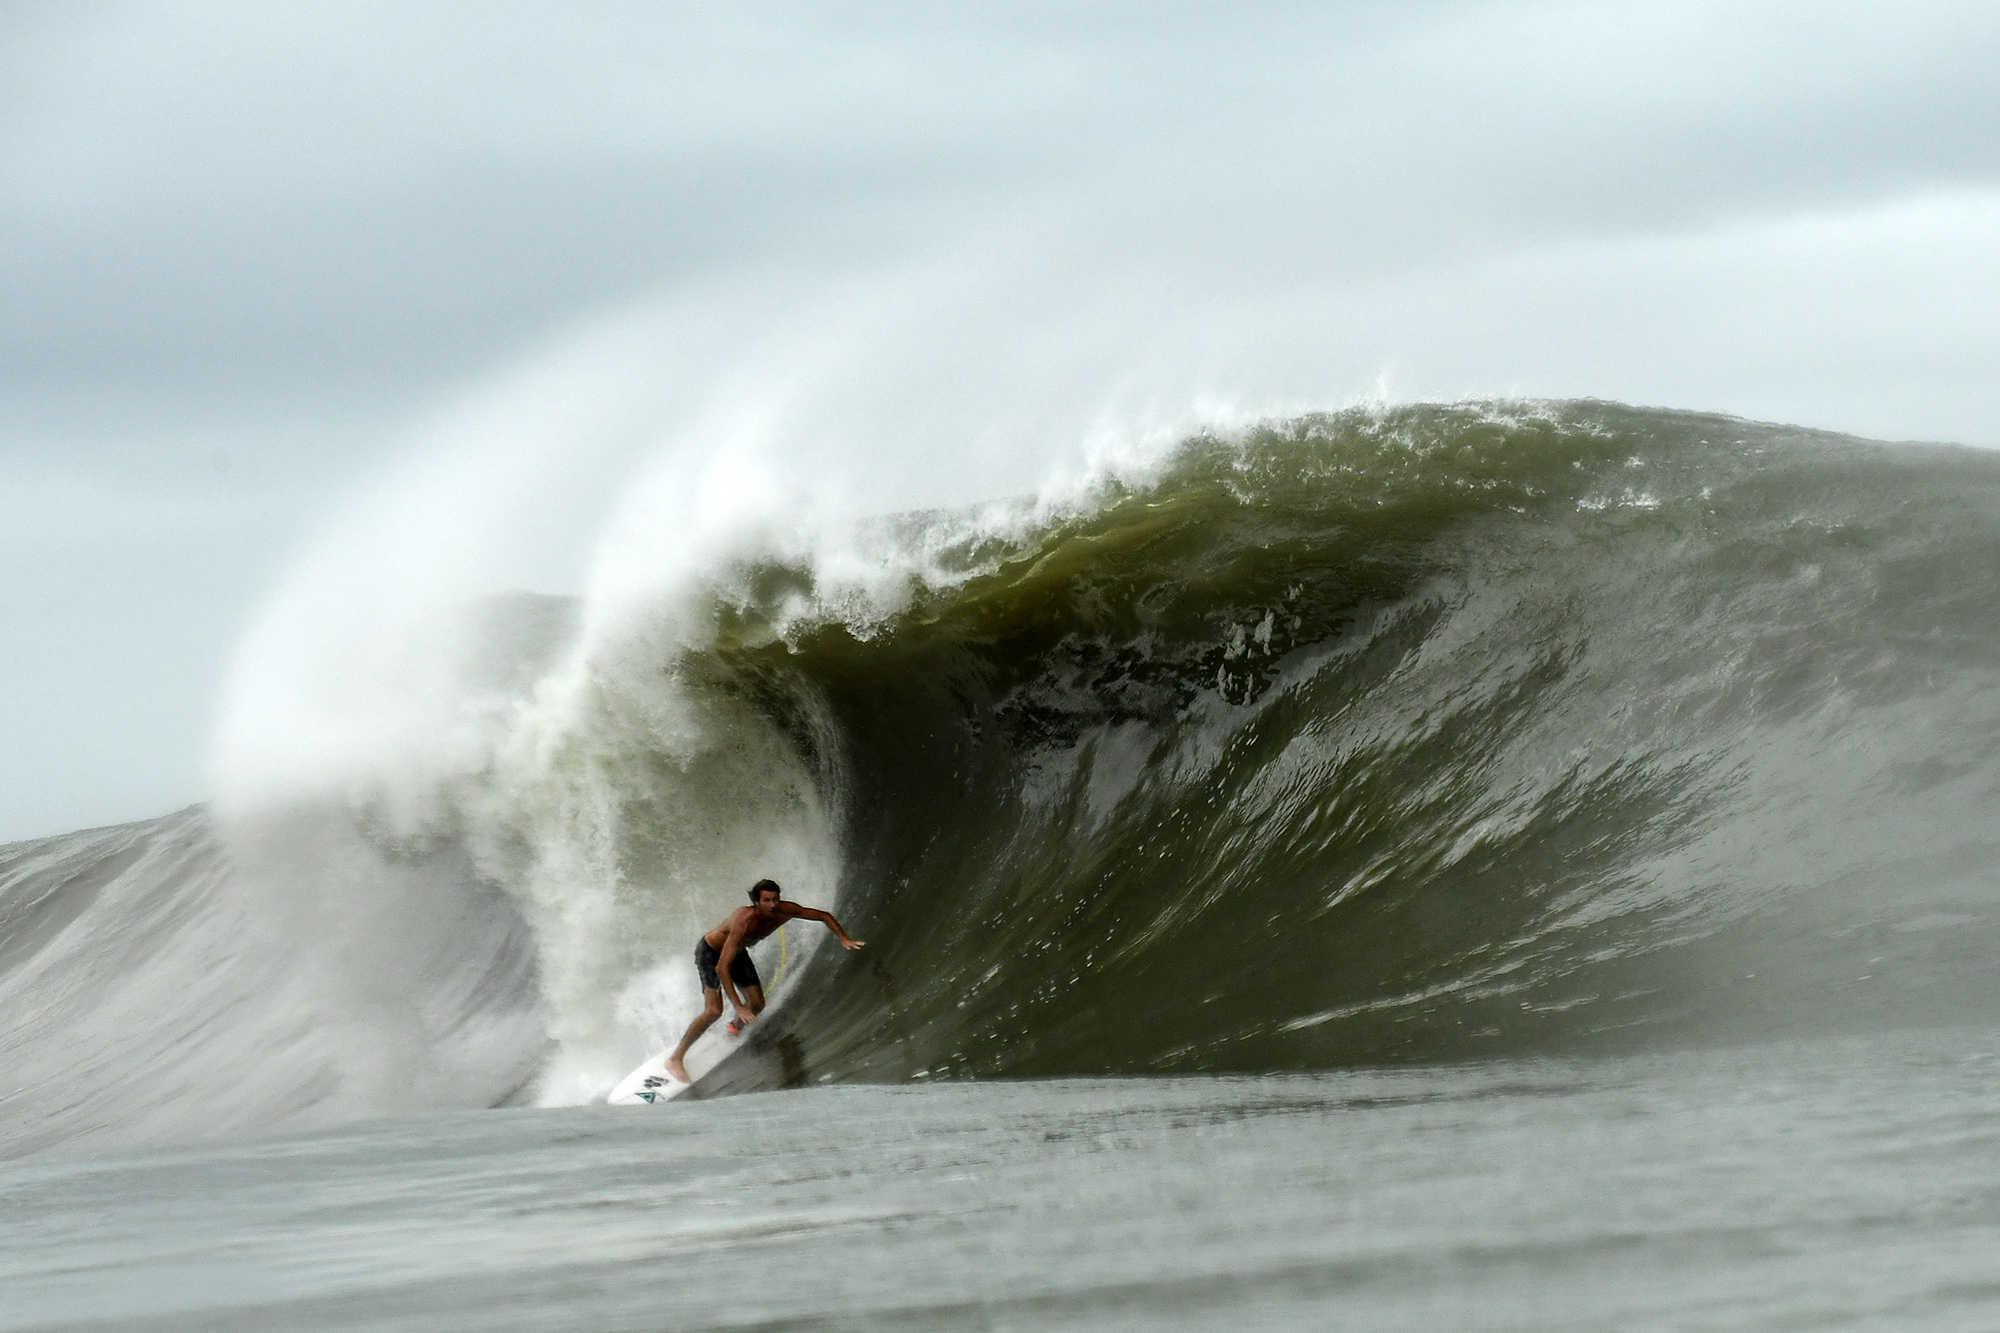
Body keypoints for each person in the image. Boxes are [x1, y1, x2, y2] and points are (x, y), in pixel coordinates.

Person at [664, 879, 864, 1082]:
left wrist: (843, 937)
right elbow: (722, 967)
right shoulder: (743, 920)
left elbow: (823, 915)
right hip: (712, 954)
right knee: (714, 1011)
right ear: (756, 902)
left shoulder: (786, 910)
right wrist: (739, 1006)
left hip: (737, 953)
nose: (773, 905)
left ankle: (733, 1030)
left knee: (758, 1004)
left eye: (775, 899)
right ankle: (675, 1059)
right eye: (766, 900)